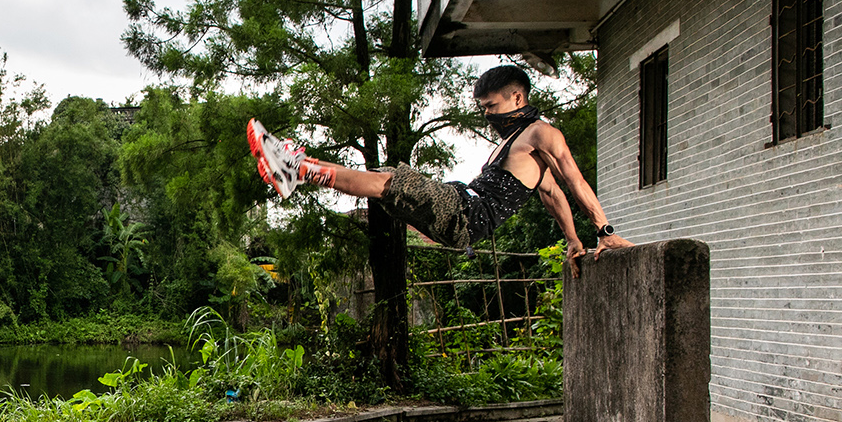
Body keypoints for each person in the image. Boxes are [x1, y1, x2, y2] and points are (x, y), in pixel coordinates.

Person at [247, 64, 632, 270]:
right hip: (460, 205)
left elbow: (573, 179)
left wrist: (605, 231)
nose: (486, 116)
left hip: (467, 214)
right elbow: (552, 195)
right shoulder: (514, 146)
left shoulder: (542, 134)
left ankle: (299, 168)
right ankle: (297, 164)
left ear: (517, 96)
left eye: (491, 107)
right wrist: (572, 241)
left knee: (390, 182)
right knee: (385, 178)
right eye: (482, 109)